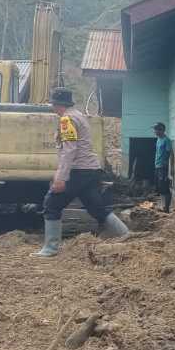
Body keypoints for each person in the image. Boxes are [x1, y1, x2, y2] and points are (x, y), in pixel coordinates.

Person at [33, 87, 128, 257]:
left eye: (53, 104)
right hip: (91, 169)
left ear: (57, 104)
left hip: (78, 170)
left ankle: (50, 248)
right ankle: (126, 235)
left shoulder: (66, 119)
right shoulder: (78, 115)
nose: (52, 108)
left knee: (51, 204)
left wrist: (61, 177)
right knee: (96, 207)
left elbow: (69, 150)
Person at [153, 122, 174, 213]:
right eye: (154, 130)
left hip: (163, 167)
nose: (154, 131)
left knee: (165, 187)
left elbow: (171, 154)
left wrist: (172, 167)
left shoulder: (166, 140)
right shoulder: (158, 139)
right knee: (160, 187)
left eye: (156, 130)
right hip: (157, 166)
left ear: (161, 130)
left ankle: (167, 208)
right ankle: (163, 206)